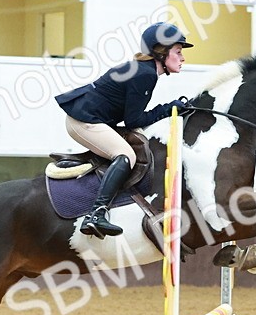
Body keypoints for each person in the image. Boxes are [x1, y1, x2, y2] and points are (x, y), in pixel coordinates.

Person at [55, 21, 192, 238]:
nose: (182, 57)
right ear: (160, 52)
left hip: (89, 118)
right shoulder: (145, 74)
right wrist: (168, 109)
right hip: (83, 121)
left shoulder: (144, 70)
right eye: (178, 51)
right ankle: (96, 213)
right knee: (126, 154)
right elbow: (134, 120)